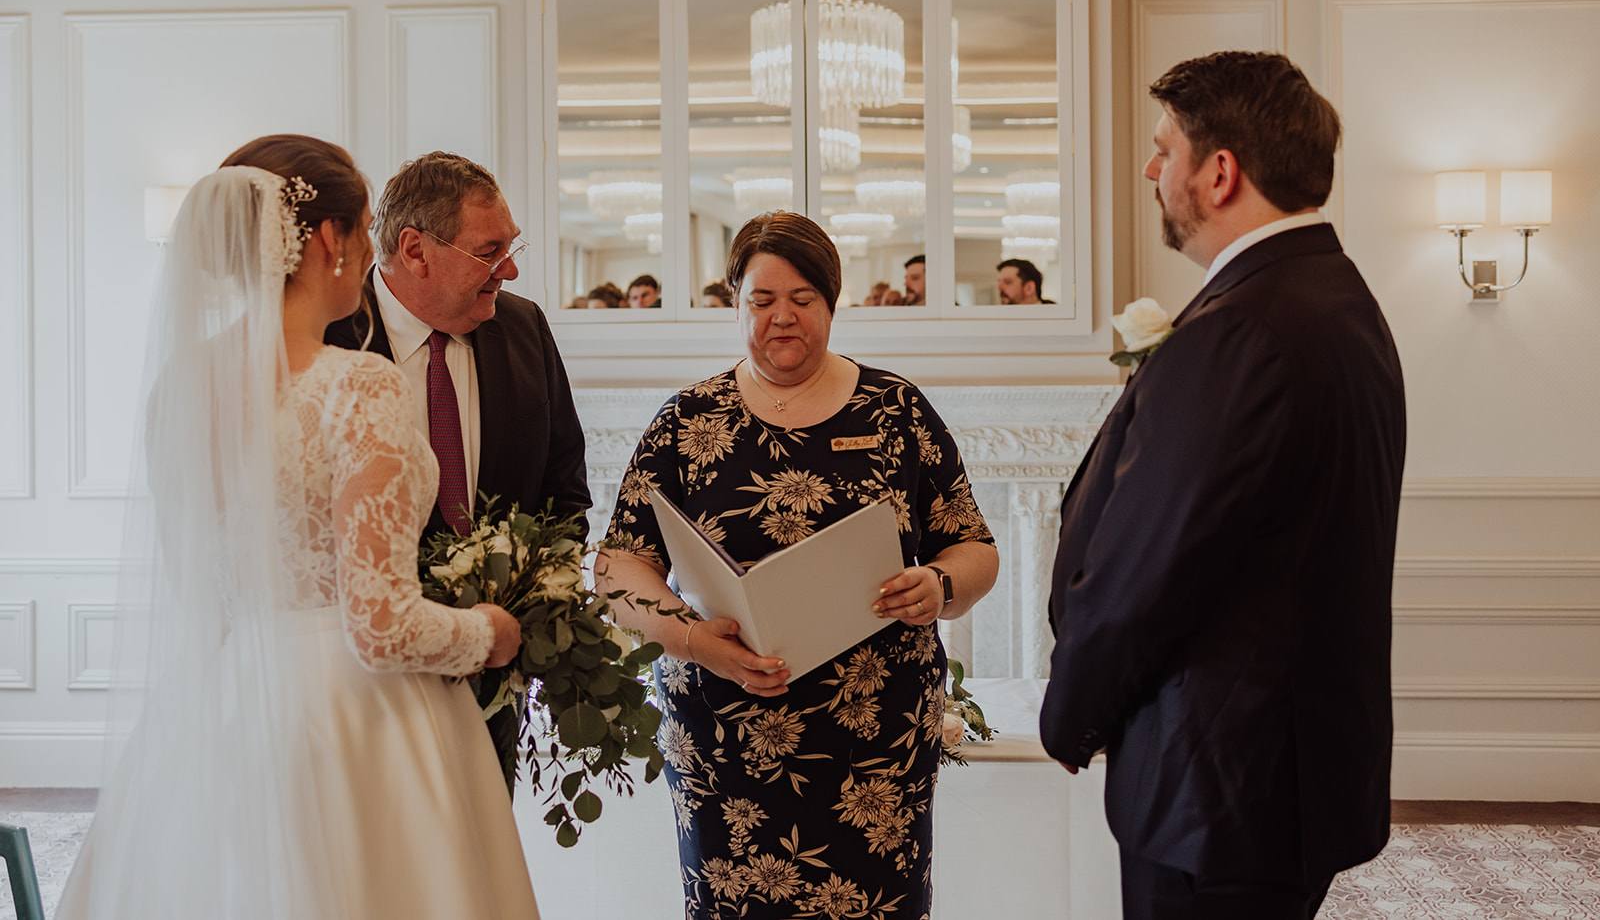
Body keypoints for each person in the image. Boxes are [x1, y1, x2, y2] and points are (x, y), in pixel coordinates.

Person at [56, 136, 540, 920]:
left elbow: (199, 593)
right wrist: (490, 631)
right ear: (329, 240)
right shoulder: (359, 385)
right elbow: (379, 627)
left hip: (224, 707)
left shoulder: (179, 390)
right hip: (355, 718)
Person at [1040, 51, 1406, 919]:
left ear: (1220, 170)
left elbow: (1145, 566)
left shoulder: (1241, 327)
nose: (1149, 168)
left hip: (1221, 783)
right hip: (1286, 770)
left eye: (1163, 147)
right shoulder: (1340, 301)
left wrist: (1072, 712)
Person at [596, 212, 998, 919]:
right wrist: (690, 637)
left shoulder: (896, 410)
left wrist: (938, 584)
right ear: (737, 302)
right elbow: (618, 567)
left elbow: (975, 549)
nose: (782, 317)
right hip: (724, 738)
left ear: (832, 302)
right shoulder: (688, 419)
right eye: (761, 300)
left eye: (803, 299)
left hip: (874, 745)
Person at [325, 149, 590, 790]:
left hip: (493, 683)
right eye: (490, 250)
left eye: (512, 247)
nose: (511, 268)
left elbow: (565, 491)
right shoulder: (327, 339)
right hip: (361, 680)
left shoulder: (524, 329)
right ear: (415, 249)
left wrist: (527, 612)